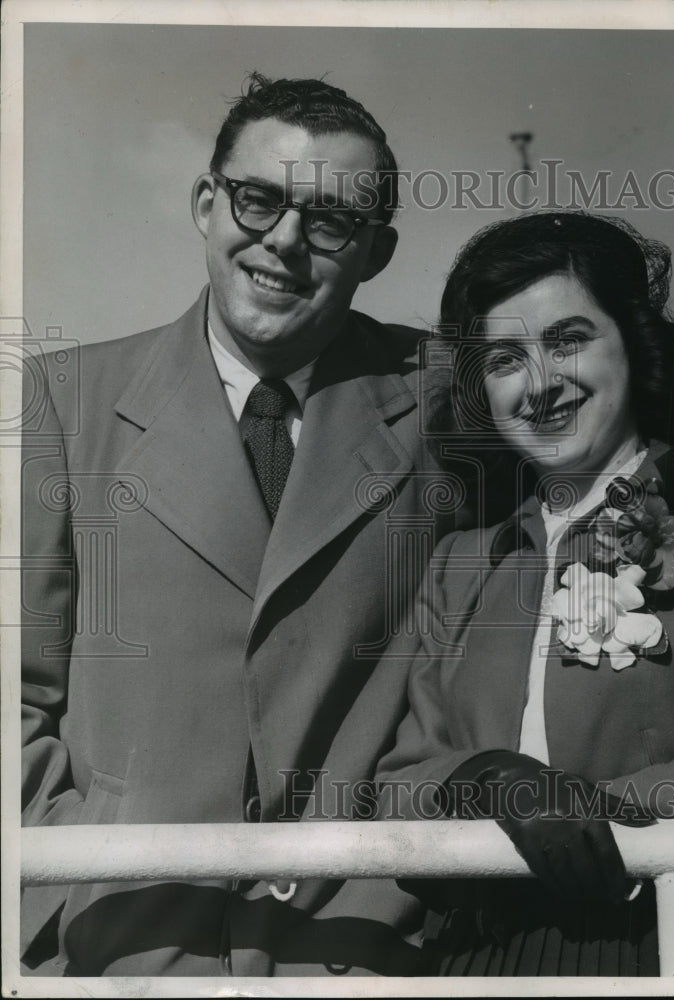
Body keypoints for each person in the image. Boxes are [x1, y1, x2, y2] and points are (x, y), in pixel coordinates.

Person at [20, 74, 468, 976]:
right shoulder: (62, 401)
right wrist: (71, 857)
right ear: (206, 202)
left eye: (331, 222)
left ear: (376, 252)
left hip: (359, 939)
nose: (284, 243)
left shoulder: (448, 399)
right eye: (258, 199)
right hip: (124, 933)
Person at [373, 211, 674, 976]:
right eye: (504, 358)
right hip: (479, 960)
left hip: (673, 945)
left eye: (568, 340)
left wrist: (608, 813)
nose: (541, 385)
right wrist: (489, 780)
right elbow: (399, 789)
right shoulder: (461, 565)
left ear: (635, 342)